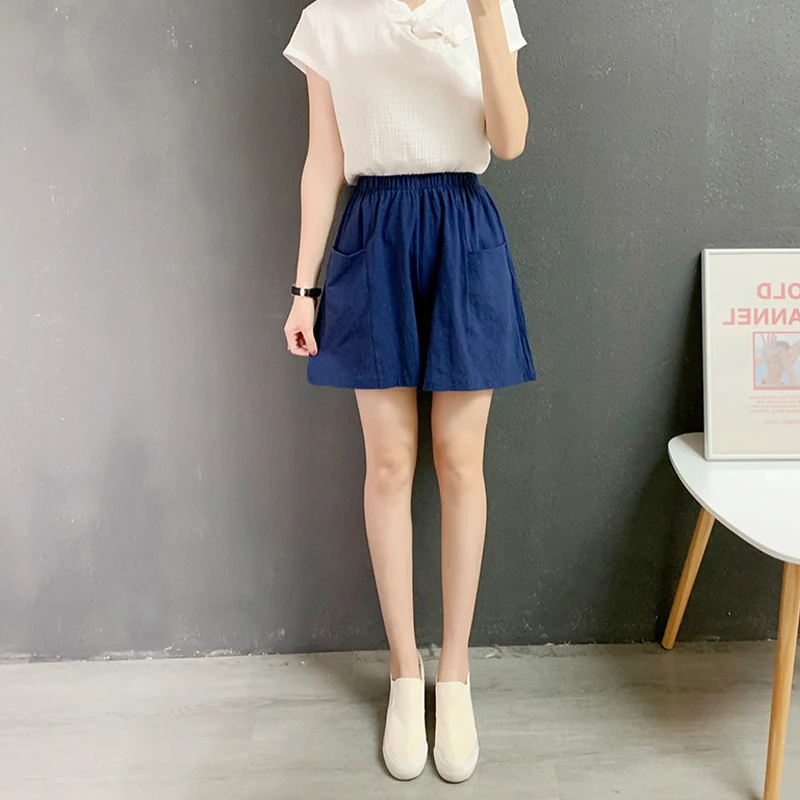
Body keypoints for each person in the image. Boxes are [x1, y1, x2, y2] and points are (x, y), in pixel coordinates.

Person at [282, 0, 536, 783]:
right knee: (390, 465)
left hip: (463, 228)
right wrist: (304, 288)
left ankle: (453, 673)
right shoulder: (329, 17)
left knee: (460, 462)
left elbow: (510, 140)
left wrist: (485, 15)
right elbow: (323, 160)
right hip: (374, 234)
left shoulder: (488, 7)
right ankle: (403, 670)